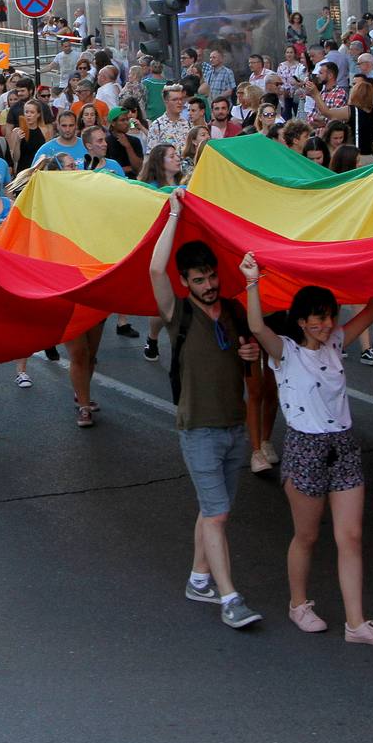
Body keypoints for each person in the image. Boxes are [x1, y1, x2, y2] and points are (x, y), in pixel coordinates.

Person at [239, 254, 373, 647]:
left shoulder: (338, 341)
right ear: (299, 320)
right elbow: (257, 325)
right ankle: (298, 604)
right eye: (317, 317)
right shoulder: (285, 354)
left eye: (329, 315)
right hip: (306, 449)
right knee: (306, 536)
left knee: (351, 536)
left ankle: (356, 623)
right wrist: (252, 282)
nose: (326, 324)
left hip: (344, 446)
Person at [149, 189, 264, 629]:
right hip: (197, 428)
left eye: (212, 276)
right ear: (186, 283)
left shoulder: (232, 312)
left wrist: (250, 358)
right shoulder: (178, 313)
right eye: (199, 279)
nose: (210, 284)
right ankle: (230, 598)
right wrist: (175, 213)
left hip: (235, 428)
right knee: (216, 513)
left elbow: (246, 357)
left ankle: (198, 579)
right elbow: (156, 267)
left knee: (214, 510)